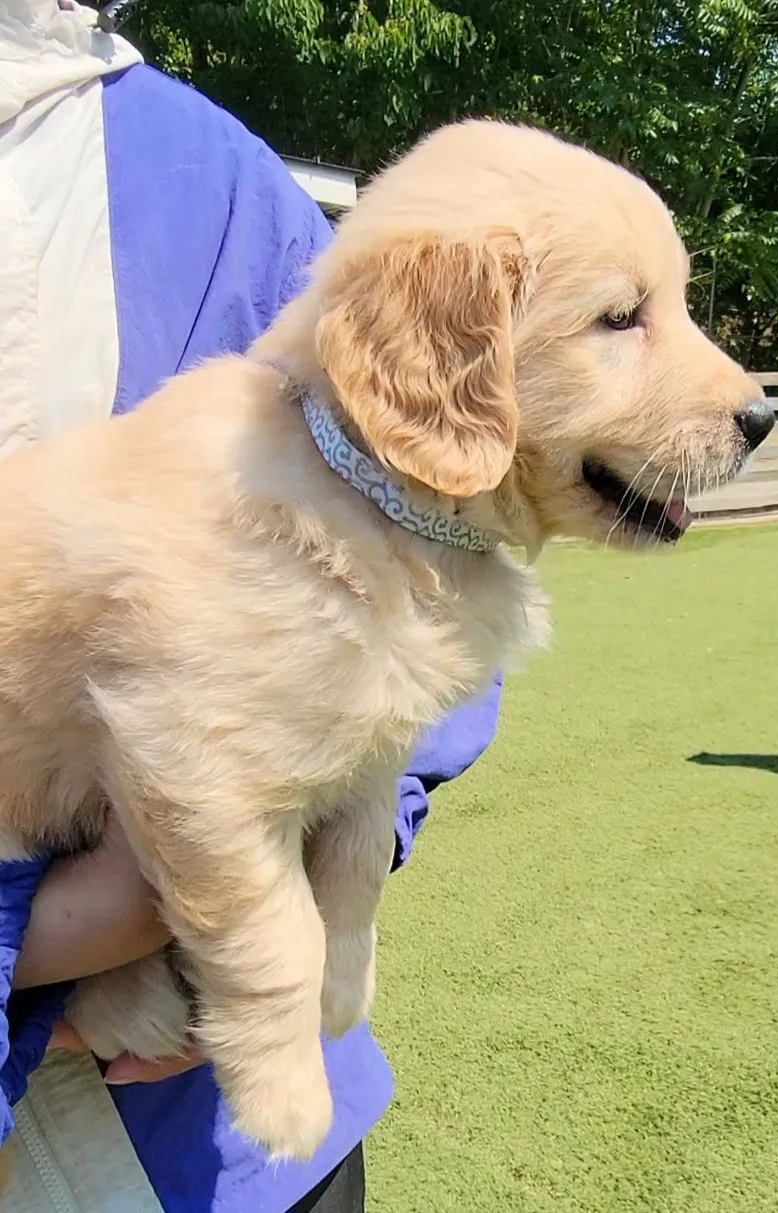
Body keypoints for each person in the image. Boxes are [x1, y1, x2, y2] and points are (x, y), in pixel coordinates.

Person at [0, 3, 501, 1209]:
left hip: (222, 1136)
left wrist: (345, 859)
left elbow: (428, 531)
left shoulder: (213, 176)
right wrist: (55, 938)